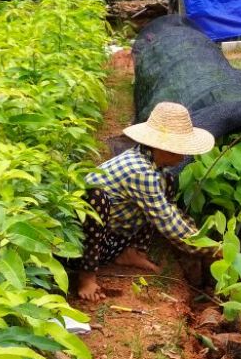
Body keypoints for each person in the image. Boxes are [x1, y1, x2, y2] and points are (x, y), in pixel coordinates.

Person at [73, 101, 215, 302]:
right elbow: (168, 221)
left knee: (167, 182)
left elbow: (170, 211)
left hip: (110, 236)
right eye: (182, 148)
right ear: (167, 148)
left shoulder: (153, 166)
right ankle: (86, 278)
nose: (184, 156)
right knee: (95, 198)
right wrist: (212, 248)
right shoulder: (141, 172)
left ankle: (131, 252)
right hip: (81, 247)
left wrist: (204, 240)